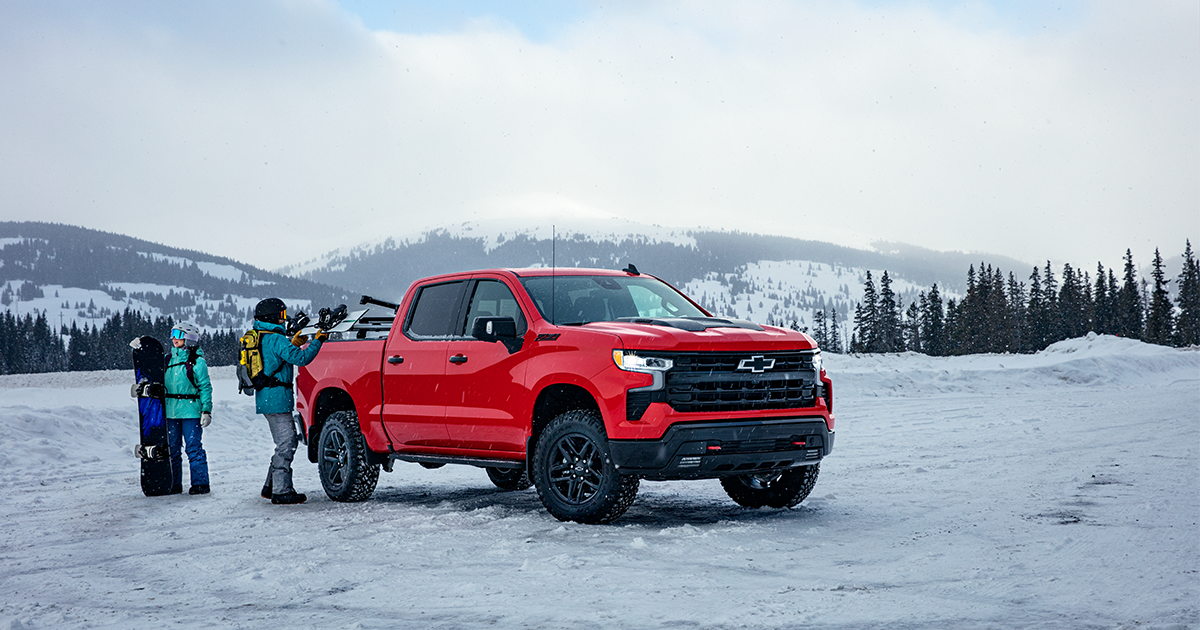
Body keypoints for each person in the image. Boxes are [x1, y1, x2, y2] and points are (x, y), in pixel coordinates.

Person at [252, 297, 326, 505]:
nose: (285, 320)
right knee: (287, 443)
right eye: (282, 315)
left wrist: (292, 344)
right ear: (274, 317)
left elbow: (275, 358)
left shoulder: (263, 336)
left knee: (282, 443)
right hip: (276, 398)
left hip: (267, 397)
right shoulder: (276, 338)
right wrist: (319, 340)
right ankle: (282, 491)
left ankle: (270, 487)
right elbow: (301, 359)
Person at [163, 322, 212, 495]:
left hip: (191, 411)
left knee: (193, 448)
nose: (174, 338)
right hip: (171, 412)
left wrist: (206, 410)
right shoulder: (168, 360)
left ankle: (200, 483)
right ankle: (174, 483)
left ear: (189, 337)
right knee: (172, 450)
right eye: (172, 334)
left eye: (178, 334)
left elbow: (205, 387)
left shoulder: (197, 362)